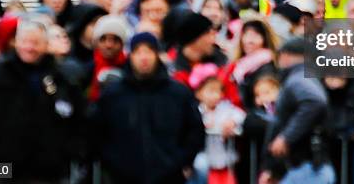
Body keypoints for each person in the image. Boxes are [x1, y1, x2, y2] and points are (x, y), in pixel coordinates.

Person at [0, 20, 87, 182]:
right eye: (25, 42)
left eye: (35, 43)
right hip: (2, 164)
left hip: (49, 167)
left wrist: (73, 150)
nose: (29, 47)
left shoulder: (62, 77)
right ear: (16, 42)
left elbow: (78, 116)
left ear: (46, 44)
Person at [92, 32, 204, 183]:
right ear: (130, 56)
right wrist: (114, 164)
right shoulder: (113, 95)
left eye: (149, 51)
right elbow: (98, 133)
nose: (144, 57)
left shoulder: (178, 93)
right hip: (123, 177)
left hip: (169, 176)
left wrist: (181, 161)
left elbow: (195, 131)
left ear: (157, 55)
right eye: (138, 52)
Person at [261, 37, 334, 184]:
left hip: (305, 168)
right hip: (305, 167)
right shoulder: (306, 77)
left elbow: (314, 101)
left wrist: (286, 137)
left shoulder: (298, 78)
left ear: (286, 55)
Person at [190, 63, 246, 184]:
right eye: (210, 91)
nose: (215, 95)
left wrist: (232, 122)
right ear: (199, 93)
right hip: (204, 156)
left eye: (218, 91)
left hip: (224, 157)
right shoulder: (196, 111)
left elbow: (241, 115)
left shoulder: (225, 108)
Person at [170, 12, 227, 87]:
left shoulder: (221, 62)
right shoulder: (173, 70)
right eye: (208, 35)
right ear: (194, 38)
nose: (213, 40)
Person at [88, 15, 130, 102]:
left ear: (122, 44)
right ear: (96, 42)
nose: (109, 45)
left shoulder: (130, 68)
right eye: (103, 39)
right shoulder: (87, 68)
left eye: (115, 40)